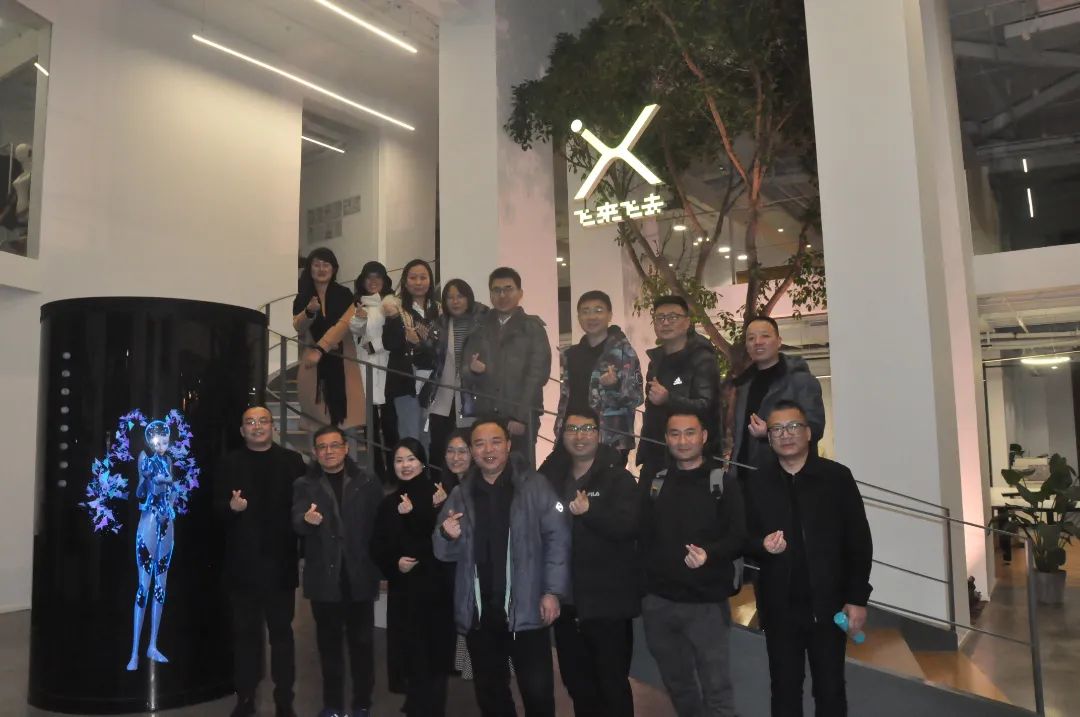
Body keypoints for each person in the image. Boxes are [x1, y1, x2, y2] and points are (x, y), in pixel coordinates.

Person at [433, 416, 570, 717]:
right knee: (491, 695)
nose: (488, 450)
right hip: (481, 615)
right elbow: (442, 551)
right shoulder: (461, 494)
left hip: (527, 610)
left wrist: (552, 592)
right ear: (472, 451)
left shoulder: (534, 486)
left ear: (508, 445)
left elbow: (557, 538)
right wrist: (446, 535)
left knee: (537, 694)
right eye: (479, 444)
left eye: (495, 442)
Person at [743, 400, 872, 717]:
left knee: (830, 690)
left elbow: (858, 541)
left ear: (809, 433)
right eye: (777, 429)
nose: (785, 434)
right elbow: (741, 538)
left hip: (828, 607)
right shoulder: (756, 482)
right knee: (784, 690)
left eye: (793, 426)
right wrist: (761, 545)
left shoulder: (836, 478)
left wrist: (857, 598)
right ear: (768, 437)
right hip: (779, 608)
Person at [640, 412, 745, 717]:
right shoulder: (655, 482)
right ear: (666, 438)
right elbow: (641, 536)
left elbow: (738, 537)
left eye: (690, 433)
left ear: (703, 437)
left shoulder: (722, 483)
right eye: (675, 433)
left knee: (717, 690)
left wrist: (709, 555)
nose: (682, 440)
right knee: (678, 687)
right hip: (659, 604)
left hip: (706, 606)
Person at [538, 408, 640, 717]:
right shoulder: (551, 477)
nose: (579, 436)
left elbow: (629, 527)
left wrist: (590, 513)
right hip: (567, 602)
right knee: (577, 685)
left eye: (587, 429)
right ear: (562, 434)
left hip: (607, 604)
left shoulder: (618, 478)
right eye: (572, 429)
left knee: (612, 685)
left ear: (598, 434)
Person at [215, 407, 307, 717]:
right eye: (250, 422)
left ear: (272, 426)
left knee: (282, 636)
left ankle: (285, 699)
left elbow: (303, 509)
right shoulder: (229, 463)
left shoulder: (293, 462)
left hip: (281, 566)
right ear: (242, 430)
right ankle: (245, 698)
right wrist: (231, 507)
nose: (257, 426)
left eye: (263, 421)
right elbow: (215, 511)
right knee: (245, 637)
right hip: (241, 568)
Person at [292, 425, 383, 717]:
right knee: (328, 647)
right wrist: (306, 520)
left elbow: (380, 526)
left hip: (359, 575)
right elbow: (296, 521)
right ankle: (332, 705)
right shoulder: (304, 484)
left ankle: (362, 703)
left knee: (362, 646)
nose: (328, 452)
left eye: (334, 445)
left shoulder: (367, 481)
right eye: (322, 447)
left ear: (345, 448)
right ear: (315, 453)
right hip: (324, 578)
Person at [370, 439, 457, 717]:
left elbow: (440, 541)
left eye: (411, 459)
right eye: (399, 460)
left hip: (435, 591)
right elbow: (377, 545)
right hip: (404, 592)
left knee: (433, 656)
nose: (405, 465)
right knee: (409, 653)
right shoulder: (388, 502)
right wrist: (394, 563)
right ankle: (415, 705)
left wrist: (417, 515)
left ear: (422, 462)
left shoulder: (440, 494)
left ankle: (431, 709)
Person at [462, 268, 552, 465]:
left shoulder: (532, 328)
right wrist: (473, 370)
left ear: (520, 293)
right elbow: (465, 372)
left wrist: (520, 416)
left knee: (520, 471)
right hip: (486, 414)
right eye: (496, 290)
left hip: (520, 417)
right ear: (490, 294)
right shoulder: (479, 326)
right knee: (487, 469)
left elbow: (538, 375)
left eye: (508, 289)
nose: (502, 295)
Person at [730, 316, 825, 483]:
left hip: (786, 478)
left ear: (779, 341)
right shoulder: (743, 385)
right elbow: (738, 437)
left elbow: (814, 428)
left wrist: (770, 432)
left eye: (765, 336)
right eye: (751, 338)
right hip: (744, 478)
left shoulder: (800, 381)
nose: (757, 342)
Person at [554, 290, 643, 467]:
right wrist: (559, 429)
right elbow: (566, 398)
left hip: (609, 439)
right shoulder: (571, 354)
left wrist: (613, 386)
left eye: (598, 310)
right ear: (578, 317)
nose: (592, 316)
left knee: (604, 484)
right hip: (573, 437)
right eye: (585, 311)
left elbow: (637, 397)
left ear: (610, 315)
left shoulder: (624, 353)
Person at [637, 296, 721, 475]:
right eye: (660, 318)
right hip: (655, 454)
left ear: (687, 322)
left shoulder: (702, 358)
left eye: (673, 317)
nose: (665, 322)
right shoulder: (656, 360)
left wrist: (668, 399)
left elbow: (707, 405)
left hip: (692, 458)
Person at [293, 248, 365, 430]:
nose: (321, 269)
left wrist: (321, 348)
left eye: (326, 265)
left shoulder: (345, 294)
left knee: (344, 421)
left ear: (334, 269)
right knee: (317, 423)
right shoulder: (302, 296)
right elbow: (298, 327)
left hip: (342, 362)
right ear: (309, 268)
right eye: (316, 265)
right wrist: (309, 312)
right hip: (313, 366)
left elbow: (344, 324)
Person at [425, 278, 487, 475]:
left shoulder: (483, 323)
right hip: (443, 397)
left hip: (472, 397)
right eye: (450, 297)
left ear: (468, 297)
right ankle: (439, 489)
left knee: (471, 448)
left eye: (460, 296)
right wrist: (421, 342)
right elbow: (428, 356)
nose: (455, 301)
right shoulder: (440, 324)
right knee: (439, 448)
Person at [383, 259, 440, 449]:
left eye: (423, 277)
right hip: (406, 383)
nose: (418, 282)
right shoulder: (395, 308)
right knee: (410, 437)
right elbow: (389, 343)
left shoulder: (439, 309)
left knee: (430, 438)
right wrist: (401, 331)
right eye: (413, 278)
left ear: (430, 281)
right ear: (405, 282)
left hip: (435, 383)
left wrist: (421, 341)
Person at [350, 260, 398, 481]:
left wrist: (375, 346)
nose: (373, 281)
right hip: (365, 369)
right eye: (369, 277)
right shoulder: (357, 305)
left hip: (388, 368)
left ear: (384, 280)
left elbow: (395, 335)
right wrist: (359, 320)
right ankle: (377, 473)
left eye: (377, 277)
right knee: (370, 426)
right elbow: (355, 332)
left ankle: (396, 473)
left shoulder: (392, 303)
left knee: (390, 424)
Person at [441, 428, 474, 680]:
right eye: (451, 451)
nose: (455, 457)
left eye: (462, 451)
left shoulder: (473, 487)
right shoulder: (454, 486)